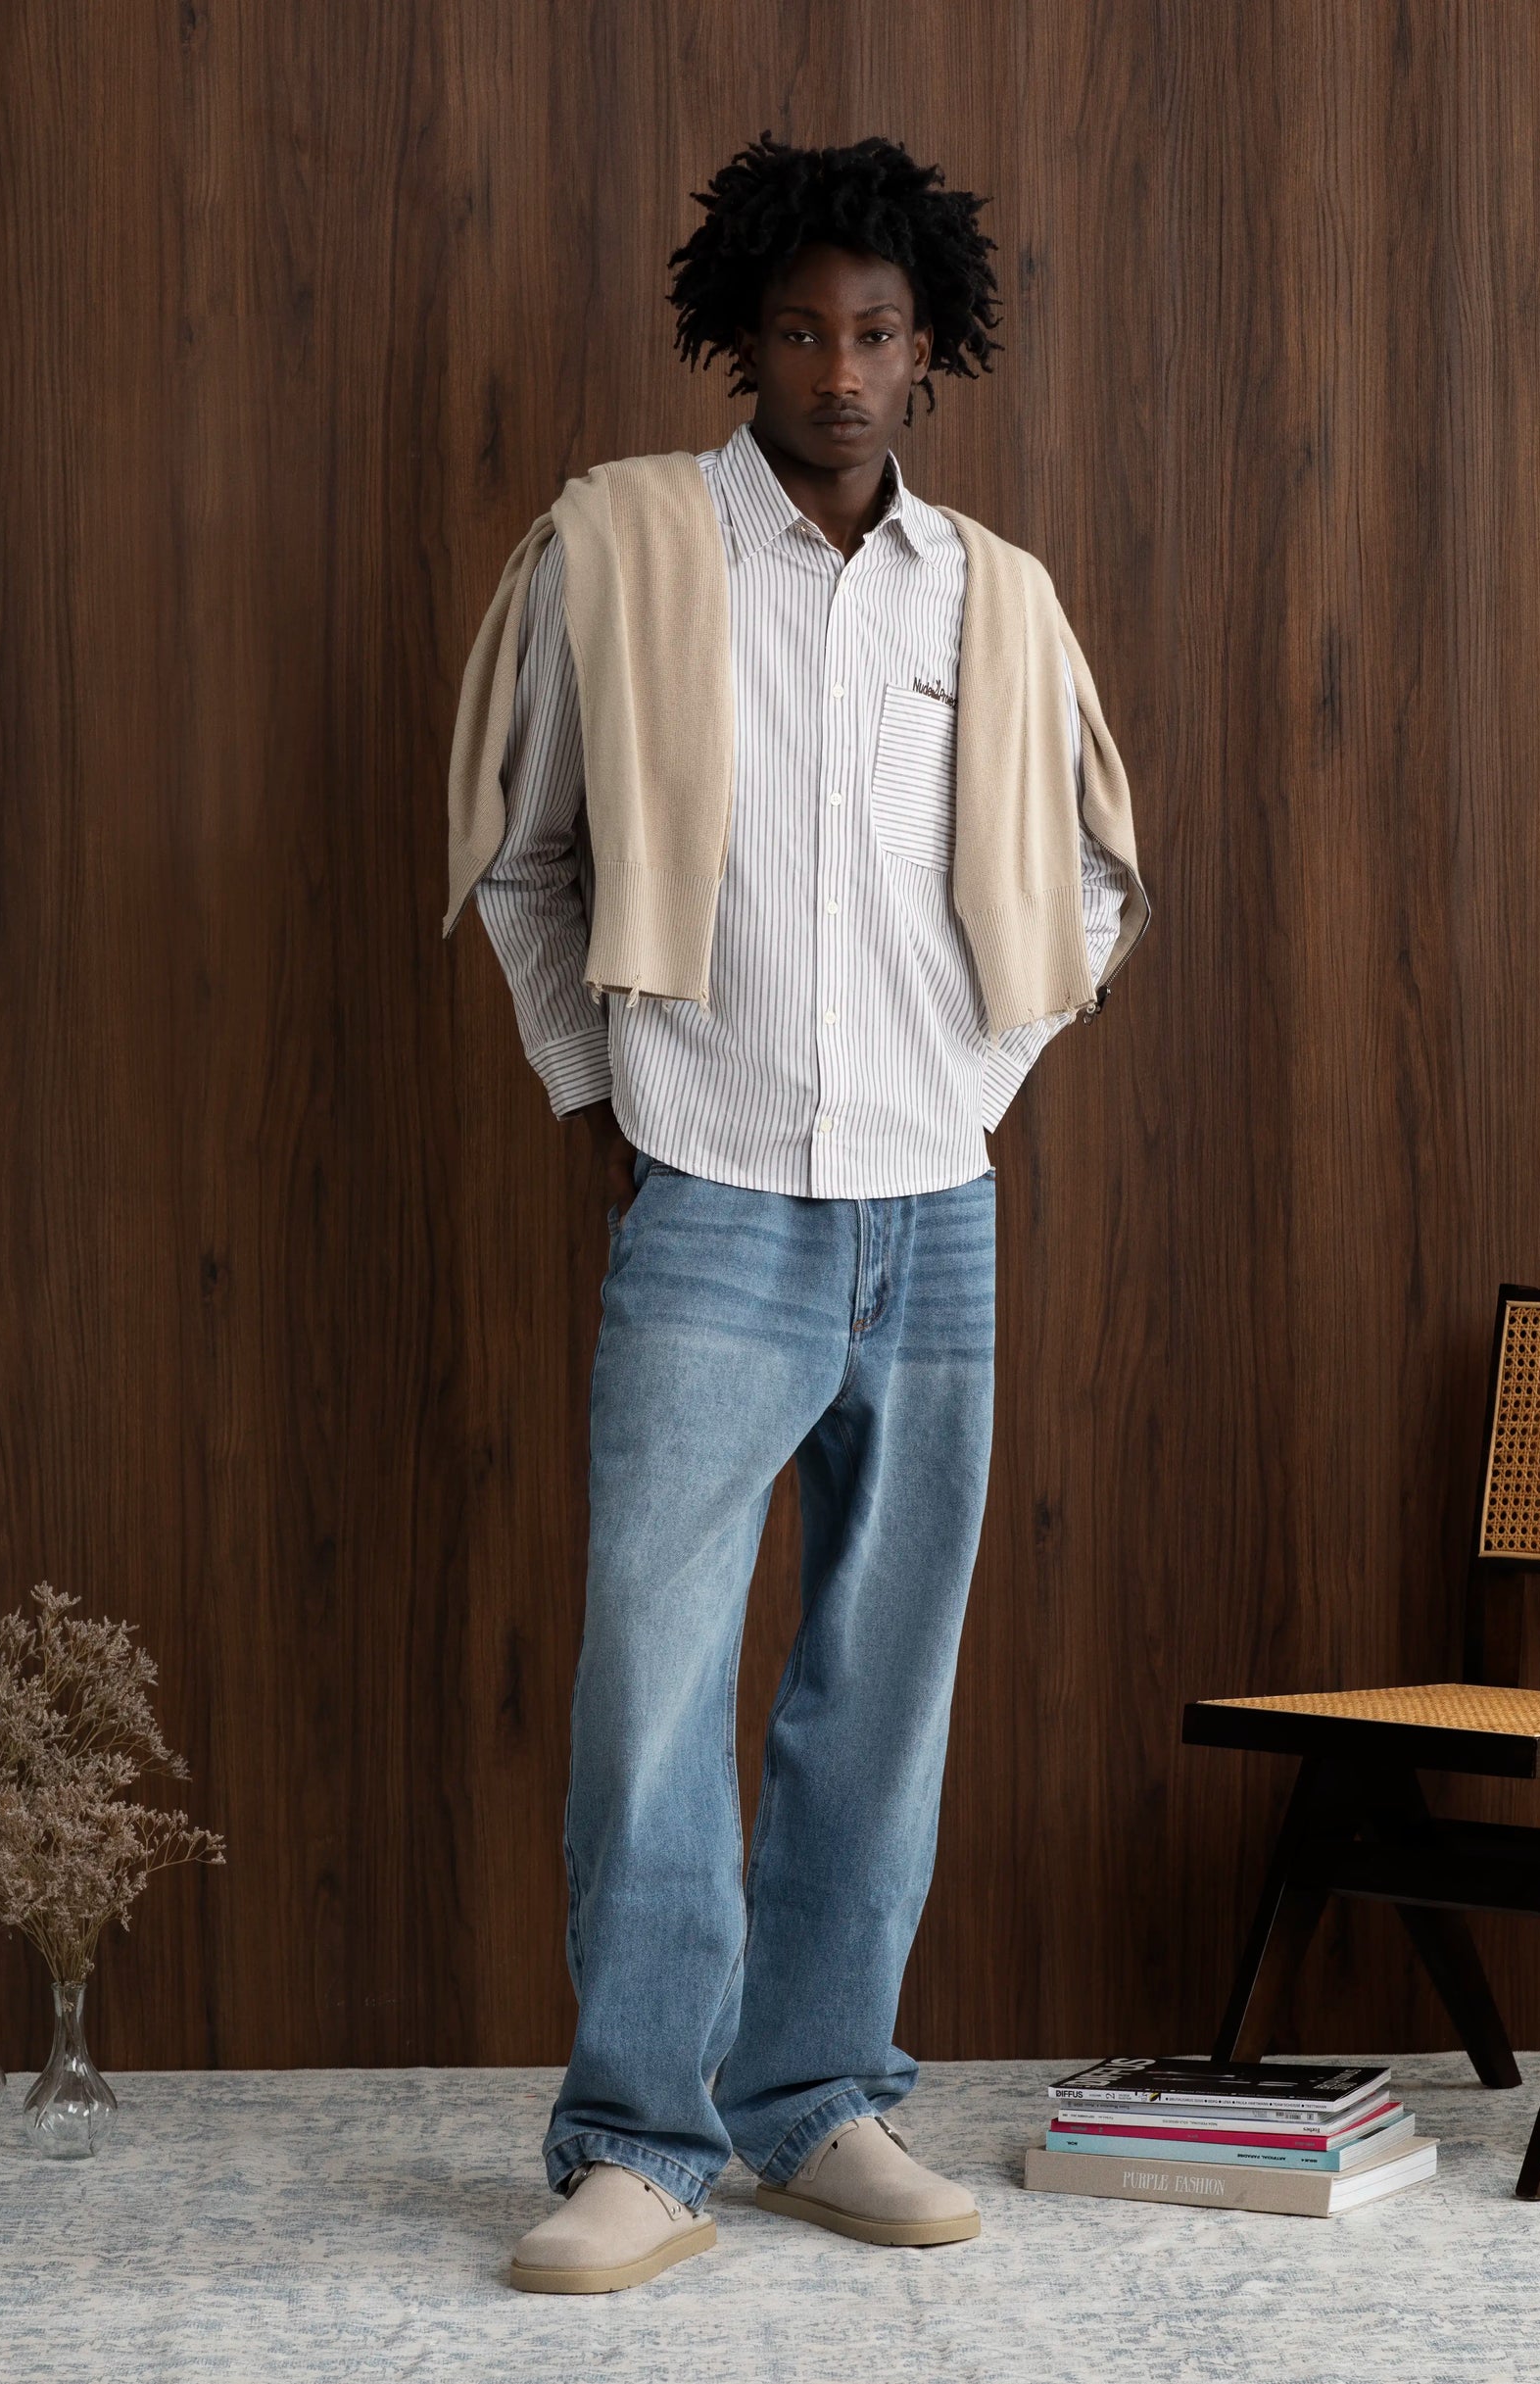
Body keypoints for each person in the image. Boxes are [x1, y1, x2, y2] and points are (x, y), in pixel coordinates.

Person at [444, 131, 1150, 2295]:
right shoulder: (622, 549)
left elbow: (1092, 874)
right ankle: (638, 2138)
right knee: (653, 1677)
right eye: (797, 331)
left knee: (881, 1671)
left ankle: (817, 2096)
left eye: (875, 333)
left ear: (928, 349)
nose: (838, 371)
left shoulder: (991, 594)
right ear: (736, 342)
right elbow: (528, 857)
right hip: (713, 1195)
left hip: (937, 1212)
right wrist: (609, 1097)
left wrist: (975, 1072)